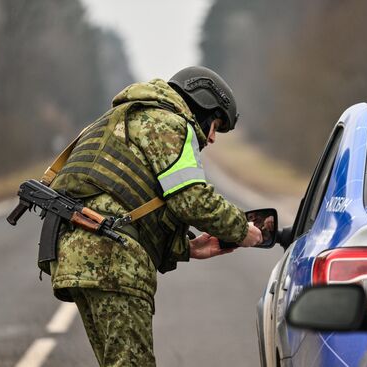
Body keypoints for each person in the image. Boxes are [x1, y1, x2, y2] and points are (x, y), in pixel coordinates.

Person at [48, 66, 262, 366]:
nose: (212, 138)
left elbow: (123, 201)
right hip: (113, 262)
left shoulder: (124, 117)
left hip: (76, 258)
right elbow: (192, 200)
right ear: (202, 104)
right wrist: (242, 229)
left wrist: (188, 248)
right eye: (215, 124)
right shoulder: (170, 124)